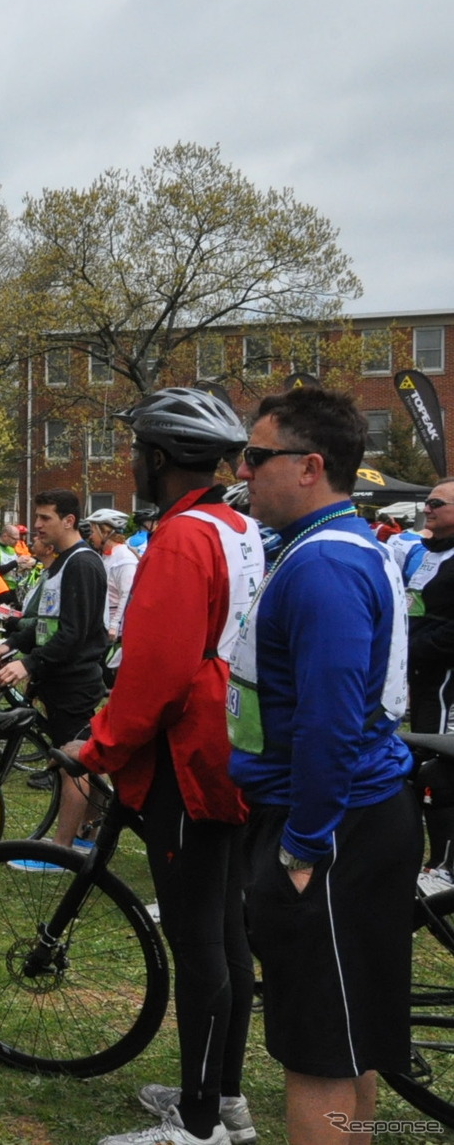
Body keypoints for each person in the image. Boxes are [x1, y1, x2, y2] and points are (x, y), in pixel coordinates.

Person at [227, 386, 419, 1145]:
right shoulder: (324, 548)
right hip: (348, 822)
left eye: (254, 455)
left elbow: (331, 722)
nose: (241, 471)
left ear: (309, 466)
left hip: (331, 831)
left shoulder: (322, 565)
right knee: (349, 1038)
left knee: (318, 1054)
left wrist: (303, 845)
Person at [72, 388, 263, 1145]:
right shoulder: (238, 526)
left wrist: (97, 748)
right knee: (224, 929)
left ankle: (197, 1121)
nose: (130, 463)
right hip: (233, 742)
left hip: (187, 755)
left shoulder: (180, 539)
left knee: (197, 939)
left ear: (156, 457)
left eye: (135, 452)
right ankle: (224, 1094)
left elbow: (153, 672)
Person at [0, 488, 109, 854]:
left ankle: (61, 849)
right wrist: (15, 644)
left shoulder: (82, 563)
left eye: (45, 518)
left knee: (71, 763)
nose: (36, 526)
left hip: (73, 680)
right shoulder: (62, 562)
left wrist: (28, 663)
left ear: (69, 521)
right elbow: (48, 622)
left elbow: (73, 633)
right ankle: (89, 831)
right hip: (59, 679)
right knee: (84, 758)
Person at [404, 479, 454, 883]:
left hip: (445, 681)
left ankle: (445, 866)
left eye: (436, 502)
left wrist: (413, 648)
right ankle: (429, 860)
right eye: (426, 501)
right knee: (423, 768)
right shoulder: (429, 553)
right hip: (423, 678)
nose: (427, 508)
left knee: (442, 770)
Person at [86, 508, 141, 685]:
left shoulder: (124, 558)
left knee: (104, 677)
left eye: (93, 530)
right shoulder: (107, 556)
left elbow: (127, 594)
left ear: (106, 532)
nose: (90, 536)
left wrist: (114, 626)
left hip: (115, 629)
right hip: (105, 620)